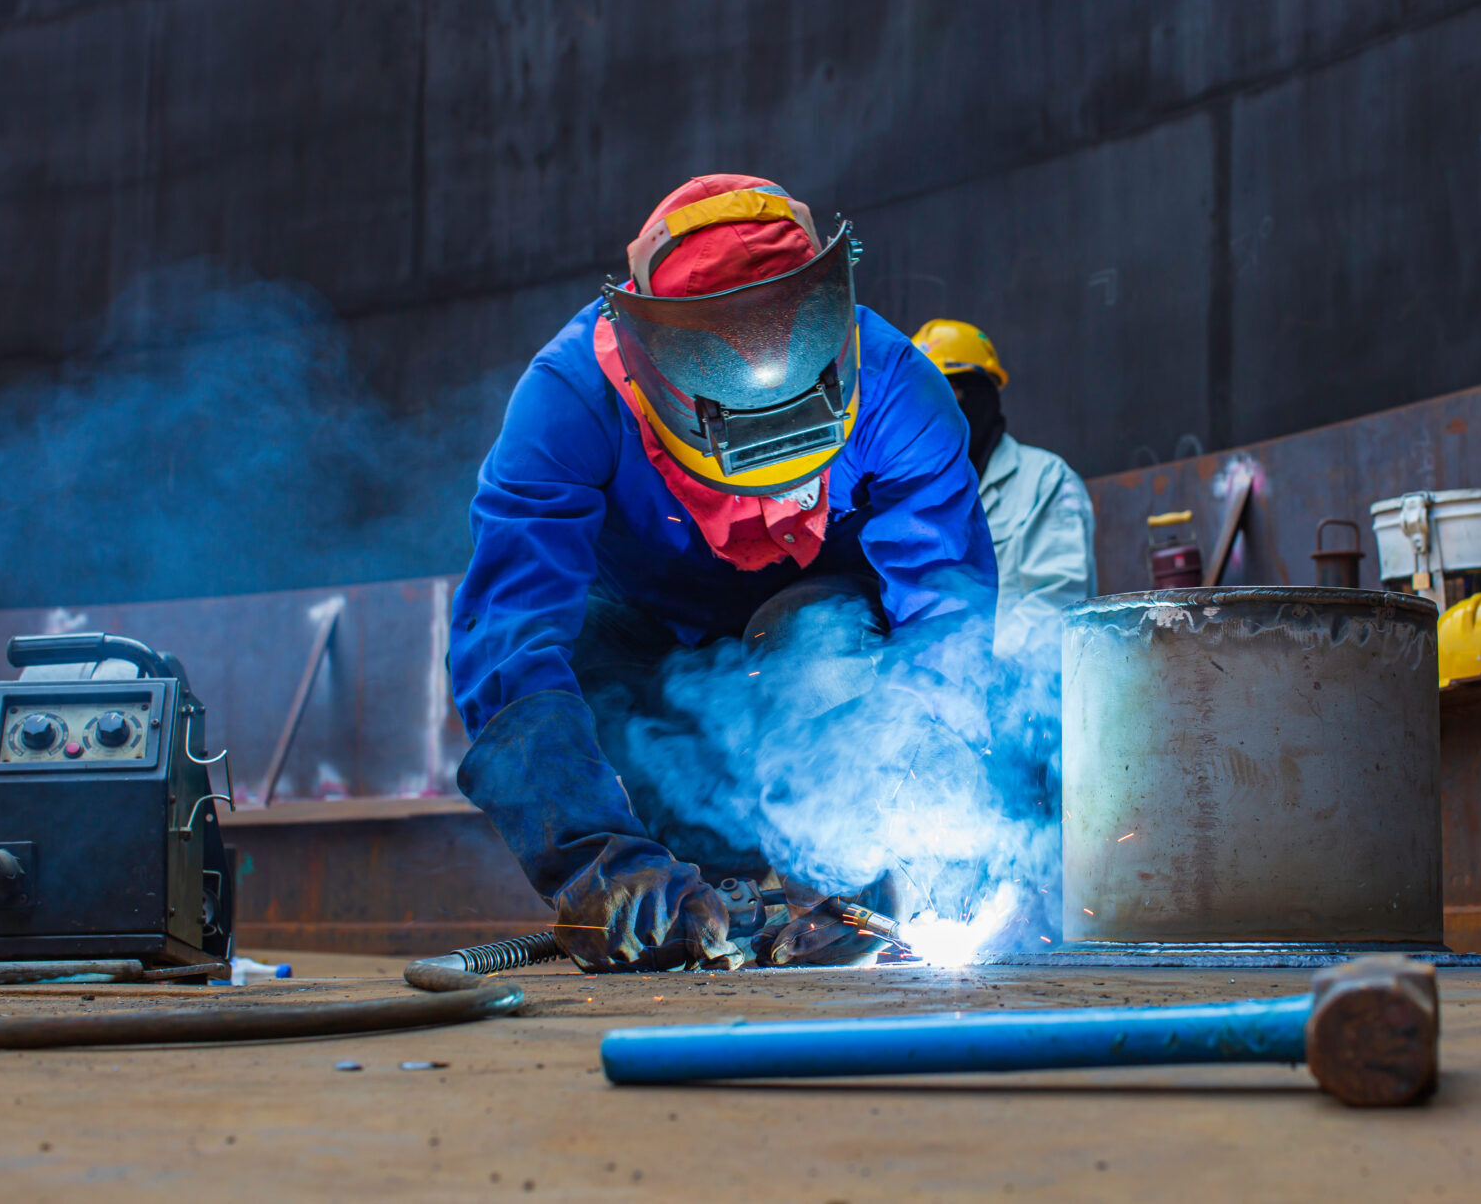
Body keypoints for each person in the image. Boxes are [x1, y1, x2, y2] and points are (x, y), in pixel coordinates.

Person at [449, 175, 997, 973]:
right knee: (592, 656)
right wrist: (594, 860)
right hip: (644, 635)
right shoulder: (569, 399)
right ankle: (682, 890)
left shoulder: (895, 386)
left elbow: (944, 618)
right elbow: (508, 643)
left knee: (816, 639)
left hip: (815, 624)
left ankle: (847, 885)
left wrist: (940, 795)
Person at [911, 319, 1095, 661]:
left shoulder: (1044, 480)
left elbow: (1055, 603)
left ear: (983, 394)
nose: (934, 414)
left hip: (1028, 688)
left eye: (949, 394)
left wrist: (979, 673)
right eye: (922, 402)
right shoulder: (909, 498)